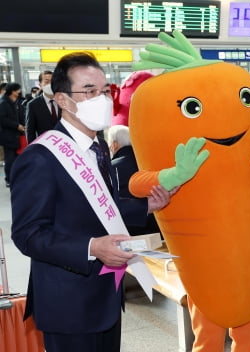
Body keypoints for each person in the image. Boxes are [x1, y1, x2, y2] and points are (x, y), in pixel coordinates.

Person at [10, 52, 173, 352]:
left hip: (106, 294)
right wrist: (91, 247)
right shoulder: (40, 158)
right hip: (67, 301)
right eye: (89, 91)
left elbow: (102, 206)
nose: (102, 99)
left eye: (104, 91)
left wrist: (146, 206)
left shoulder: (98, 146)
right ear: (62, 100)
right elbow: (27, 234)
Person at [106, 124, 161, 236]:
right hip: (157, 228)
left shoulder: (110, 169)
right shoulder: (149, 164)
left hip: (127, 232)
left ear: (114, 145)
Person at [0, 82, 25, 187]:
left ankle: (17, 177)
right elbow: (2, 119)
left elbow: (22, 115)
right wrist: (16, 125)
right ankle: (9, 179)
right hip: (8, 136)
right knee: (10, 158)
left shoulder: (18, 101)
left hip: (18, 135)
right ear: (12, 91)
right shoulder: (3, 103)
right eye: (17, 90)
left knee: (18, 158)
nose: (19, 92)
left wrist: (23, 125)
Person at [25, 70, 59, 143]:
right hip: (44, 145)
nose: (50, 85)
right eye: (46, 82)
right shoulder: (33, 105)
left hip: (65, 146)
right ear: (40, 85)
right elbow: (30, 131)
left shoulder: (63, 101)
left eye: (52, 82)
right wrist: (33, 150)